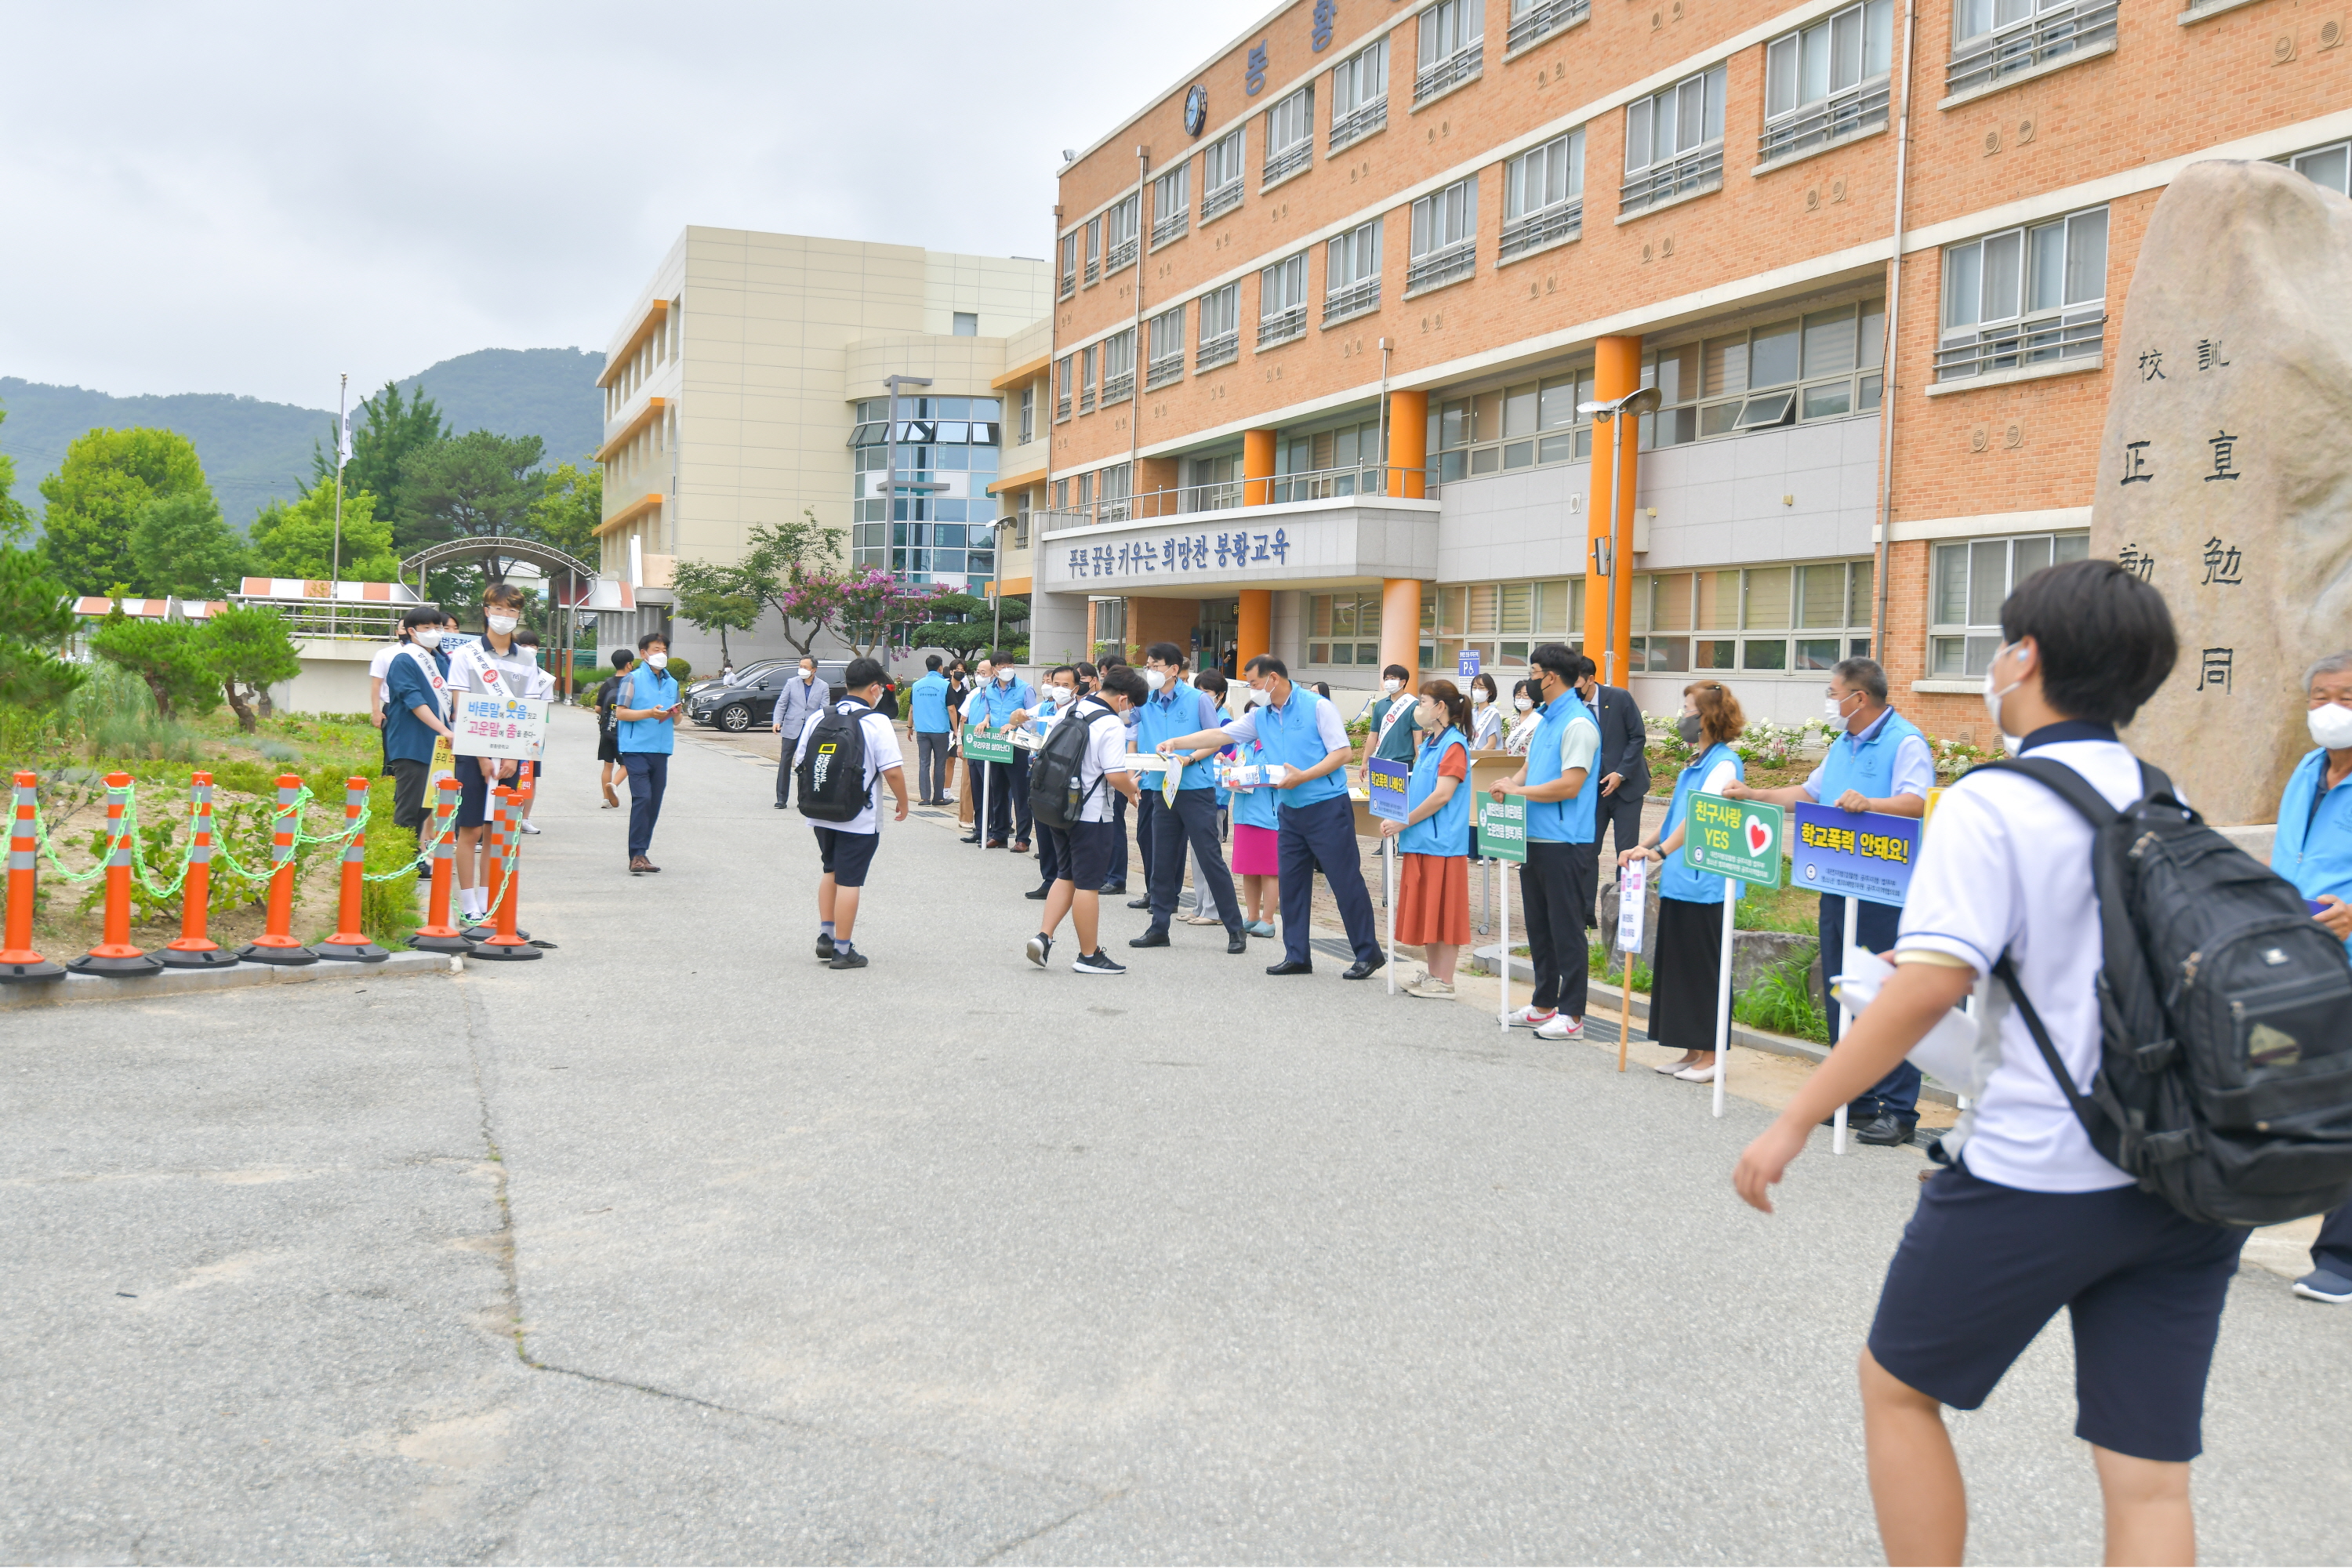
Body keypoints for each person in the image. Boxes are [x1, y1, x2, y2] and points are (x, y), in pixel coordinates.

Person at [1733, 559, 2245, 1568]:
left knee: (1897, 1387)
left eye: (2004, 644)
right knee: (2147, 1473)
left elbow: (1926, 988)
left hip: (2041, 1164)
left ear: (2028, 658)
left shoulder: (1991, 799)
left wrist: (1793, 1117)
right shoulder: (2163, 795)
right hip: (2183, 1171)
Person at [1724, 655, 1934, 1145]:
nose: (1829, 702)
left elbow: (1918, 800)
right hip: (1838, 882)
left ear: (1859, 698)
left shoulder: (1905, 741)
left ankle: (1898, 1109)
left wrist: (1870, 803)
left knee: (1885, 994)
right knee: (1844, 989)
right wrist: (1756, 793)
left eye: (1833, 693)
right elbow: (1810, 792)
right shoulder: (1842, 743)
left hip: (1885, 890)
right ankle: (1854, 1096)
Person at [1156, 655, 1385, 978]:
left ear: (1273, 678)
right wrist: (1176, 743)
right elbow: (1220, 735)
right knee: (1292, 882)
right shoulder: (1261, 716)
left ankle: (1367, 953)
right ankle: (1297, 955)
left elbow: (1343, 753)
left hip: (1327, 807)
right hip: (1288, 809)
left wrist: (1303, 776)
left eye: (1253, 683)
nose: (1251, 689)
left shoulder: (1317, 707)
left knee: (1344, 880)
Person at [2269, 650, 2352, 1305]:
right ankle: (2221, 1224)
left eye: (2346, 698)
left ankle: (2341, 1260)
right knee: (2272, 1092)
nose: (2330, 710)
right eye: (2320, 698)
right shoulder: (2306, 770)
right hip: (2292, 963)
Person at [1617, 681, 1748, 1083]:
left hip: (1706, 884)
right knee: (1682, 967)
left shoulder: (1724, 764)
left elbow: (1700, 818)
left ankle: (1711, 1056)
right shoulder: (1696, 762)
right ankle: (1692, 1051)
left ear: (1707, 717)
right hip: (1681, 880)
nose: (1683, 716)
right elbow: (1675, 815)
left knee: (1704, 969)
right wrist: (1643, 846)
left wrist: (1659, 852)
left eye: (1688, 709)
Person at [1488, 644, 1601, 1039]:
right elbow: (1528, 767)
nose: (1530, 681)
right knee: (1539, 928)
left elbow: (1571, 785)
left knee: (1566, 929)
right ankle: (1543, 1005)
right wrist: (1509, 784)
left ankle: (1572, 1014)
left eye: (1534, 673)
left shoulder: (1579, 724)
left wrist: (1518, 791)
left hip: (1565, 841)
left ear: (1551, 677)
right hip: (1534, 836)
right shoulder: (1547, 720)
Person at [1025, 664, 1145, 975]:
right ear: (1124, 698)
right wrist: (1132, 789)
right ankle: (1089, 955)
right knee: (1088, 884)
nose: (1130, 711)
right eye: (1132, 704)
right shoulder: (1111, 724)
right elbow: (1115, 775)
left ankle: (1044, 937)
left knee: (1066, 874)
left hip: (1059, 808)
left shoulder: (1070, 710)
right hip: (1092, 814)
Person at [1130, 644, 1247, 954]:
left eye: (1155, 665)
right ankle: (1159, 927)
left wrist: (1189, 758)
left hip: (1195, 789)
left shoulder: (1198, 699)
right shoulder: (1145, 701)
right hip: (1161, 788)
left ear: (1173, 669)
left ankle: (1235, 927)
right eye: (1148, 665)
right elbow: (1126, 723)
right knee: (1162, 859)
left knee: (1209, 856)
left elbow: (1216, 740)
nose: (1150, 671)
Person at [793, 656, 909, 971]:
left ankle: (827, 936)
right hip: (859, 814)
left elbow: (800, 761)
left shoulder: (820, 716)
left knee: (830, 870)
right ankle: (843, 951)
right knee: (849, 880)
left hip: (820, 809)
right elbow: (893, 771)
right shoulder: (876, 722)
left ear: (847, 684)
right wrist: (904, 802)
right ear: (875, 688)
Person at [442, 585, 543, 920]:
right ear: (487, 611)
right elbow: (460, 707)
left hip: (511, 756)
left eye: (512, 610)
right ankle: (469, 903)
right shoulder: (465, 655)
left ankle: (488, 901)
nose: (505, 616)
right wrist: (482, 756)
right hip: (473, 754)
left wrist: (514, 757)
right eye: (499, 609)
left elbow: (530, 712)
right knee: (471, 829)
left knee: (496, 831)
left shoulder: (527, 659)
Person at [1382, 680, 1472, 999]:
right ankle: (1435, 975)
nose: (1418, 709)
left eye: (1423, 702)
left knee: (1444, 912)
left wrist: (1403, 821)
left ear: (1440, 707)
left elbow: (1442, 795)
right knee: (1430, 912)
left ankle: (1445, 979)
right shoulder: (1434, 743)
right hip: (1422, 839)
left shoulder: (1454, 745)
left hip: (1441, 843)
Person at [379, 607, 459, 850]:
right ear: (412, 631)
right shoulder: (404, 660)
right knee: (410, 807)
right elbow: (414, 701)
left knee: (426, 806)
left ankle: (417, 854)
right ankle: (405, 856)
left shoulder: (440, 660)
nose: (434, 632)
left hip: (437, 743)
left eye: (437, 627)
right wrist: (444, 730)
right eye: (427, 628)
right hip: (412, 743)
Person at [612, 631, 682, 875]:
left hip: (661, 749)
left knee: (654, 803)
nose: (661, 654)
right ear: (643, 654)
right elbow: (621, 712)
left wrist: (675, 713)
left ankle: (642, 852)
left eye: (664, 650)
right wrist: (649, 713)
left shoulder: (672, 683)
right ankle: (636, 855)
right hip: (636, 749)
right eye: (656, 650)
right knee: (643, 798)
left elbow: (678, 720)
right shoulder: (632, 679)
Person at [1010, 666, 1080, 899]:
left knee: (1063, 828)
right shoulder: (1044, 708)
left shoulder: (1080, 712)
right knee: (1043, 825)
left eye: (1066, 685)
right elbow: (1017, 719)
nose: (1059, 689)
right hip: (1040, 773)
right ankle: (1049, 879)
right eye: (1055, 684)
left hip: (1066, 777)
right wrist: (1017, 716)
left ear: (1076, 689)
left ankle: (1068, 879)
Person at [1578, 658, 1649, 877]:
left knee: (1627, 852)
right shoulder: (1572, 708)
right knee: (1587, 850)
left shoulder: (1619, 697)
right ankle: (1586, 900)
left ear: (1591, 679)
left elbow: (1637, 737)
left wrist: (1620, 773)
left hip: (1627, 789)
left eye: (1576, 682)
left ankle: (1624, 898)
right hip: (1593, 790)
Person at [1223, 681, 1281, 938]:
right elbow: (1232, 766)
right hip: (1244, 814)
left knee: (1269, 870)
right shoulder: (1244, 746)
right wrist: (1224, 763)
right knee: (1248, 868)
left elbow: (1281, 776)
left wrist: (1257, 776)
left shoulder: (1276, 745)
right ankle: (1252, 916)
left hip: (1268, 815)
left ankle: (1268, 919)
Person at [1178, 670, 1233, 926]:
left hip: (1214, 795)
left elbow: (1223, 755)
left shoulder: (1224, 723)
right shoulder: (1198, 716)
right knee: (1197, 855)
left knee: (1210, 856)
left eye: (1206, 692)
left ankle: (1214, 910)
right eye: (1197, 690)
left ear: (1219, 695)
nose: (1200, 696)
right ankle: (1200, 905)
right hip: (1197, 793)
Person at [509, 627, 557, 834]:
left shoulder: (544, 678)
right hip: (509, 730)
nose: (529, 649)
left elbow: (543, 708)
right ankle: (506, 816)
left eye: (533, 645)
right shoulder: (509, 670)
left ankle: (525, 818)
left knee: (530, 775)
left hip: (533, 734)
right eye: (524, 645)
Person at [770, 654, 828, 811]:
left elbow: (824, 709)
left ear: (814, 670)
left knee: (808, 764)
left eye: (805, 667)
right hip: (791, 727)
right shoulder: (791, 683)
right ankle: (781, 799)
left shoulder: (823, 686)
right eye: (800, 666)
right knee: (785, 762)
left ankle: (804, 798)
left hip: (811, 731)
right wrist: (777, 721)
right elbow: (782, 703)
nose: (802, 669)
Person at [957, 655, 996, 845]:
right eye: (978, 672)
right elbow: (963, 718)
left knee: (992, 792)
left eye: (984, 673)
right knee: (977, 791)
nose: (979, 676)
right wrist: (960, 742)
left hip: (991, 748)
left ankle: (993, 831)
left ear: (993, 674)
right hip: (974, 747)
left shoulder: (996, 694)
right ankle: (979, 829)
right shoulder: (974, 694)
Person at [909, 654, 956, 805]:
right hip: (940, 731)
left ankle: (925, 798)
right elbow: (951, 709)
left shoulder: (916, 685)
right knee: (940, 764)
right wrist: (956, 730)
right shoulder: (945, 685)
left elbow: (912, 709)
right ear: (941, 667)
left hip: (922, 730)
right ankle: (939, 798)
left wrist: (910, 727)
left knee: (924, 763)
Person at [1364, 662, 1420, 783]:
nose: (1389, 682)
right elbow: (1373, 735)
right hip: (1381, 761)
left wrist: (1420, 762)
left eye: (1393, 678)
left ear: (1403, 682)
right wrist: (1364, 762)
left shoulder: (1413, 704)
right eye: (1386, 679)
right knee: (1381, 794)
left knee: (1403, 795)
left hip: (1403, 762)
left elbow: (1417, 736)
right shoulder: (1380, 705)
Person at [594, 648, 634, 808]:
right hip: (624, 732)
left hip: (607, 731)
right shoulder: (632, 683)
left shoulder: (607, 684)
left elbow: (598, 708)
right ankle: (614, 785)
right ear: (629, 664)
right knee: (627, 764)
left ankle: (606, 799)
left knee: (608, 765)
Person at [1468, 671, 1506, 751]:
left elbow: (1491, 744)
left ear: (1490, 692)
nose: (1477, 691)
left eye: (1481, 688)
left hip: (1483, 757)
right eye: (1474, 687)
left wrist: (1476, 756)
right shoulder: (1471, 713)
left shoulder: (1492, 714)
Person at [1503, 679, 1542, 755]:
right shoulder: (1514, 719)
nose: (1521, 698)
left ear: (1533, 699)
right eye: (1518, 695)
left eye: (1526, 695)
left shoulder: (1539, 719)